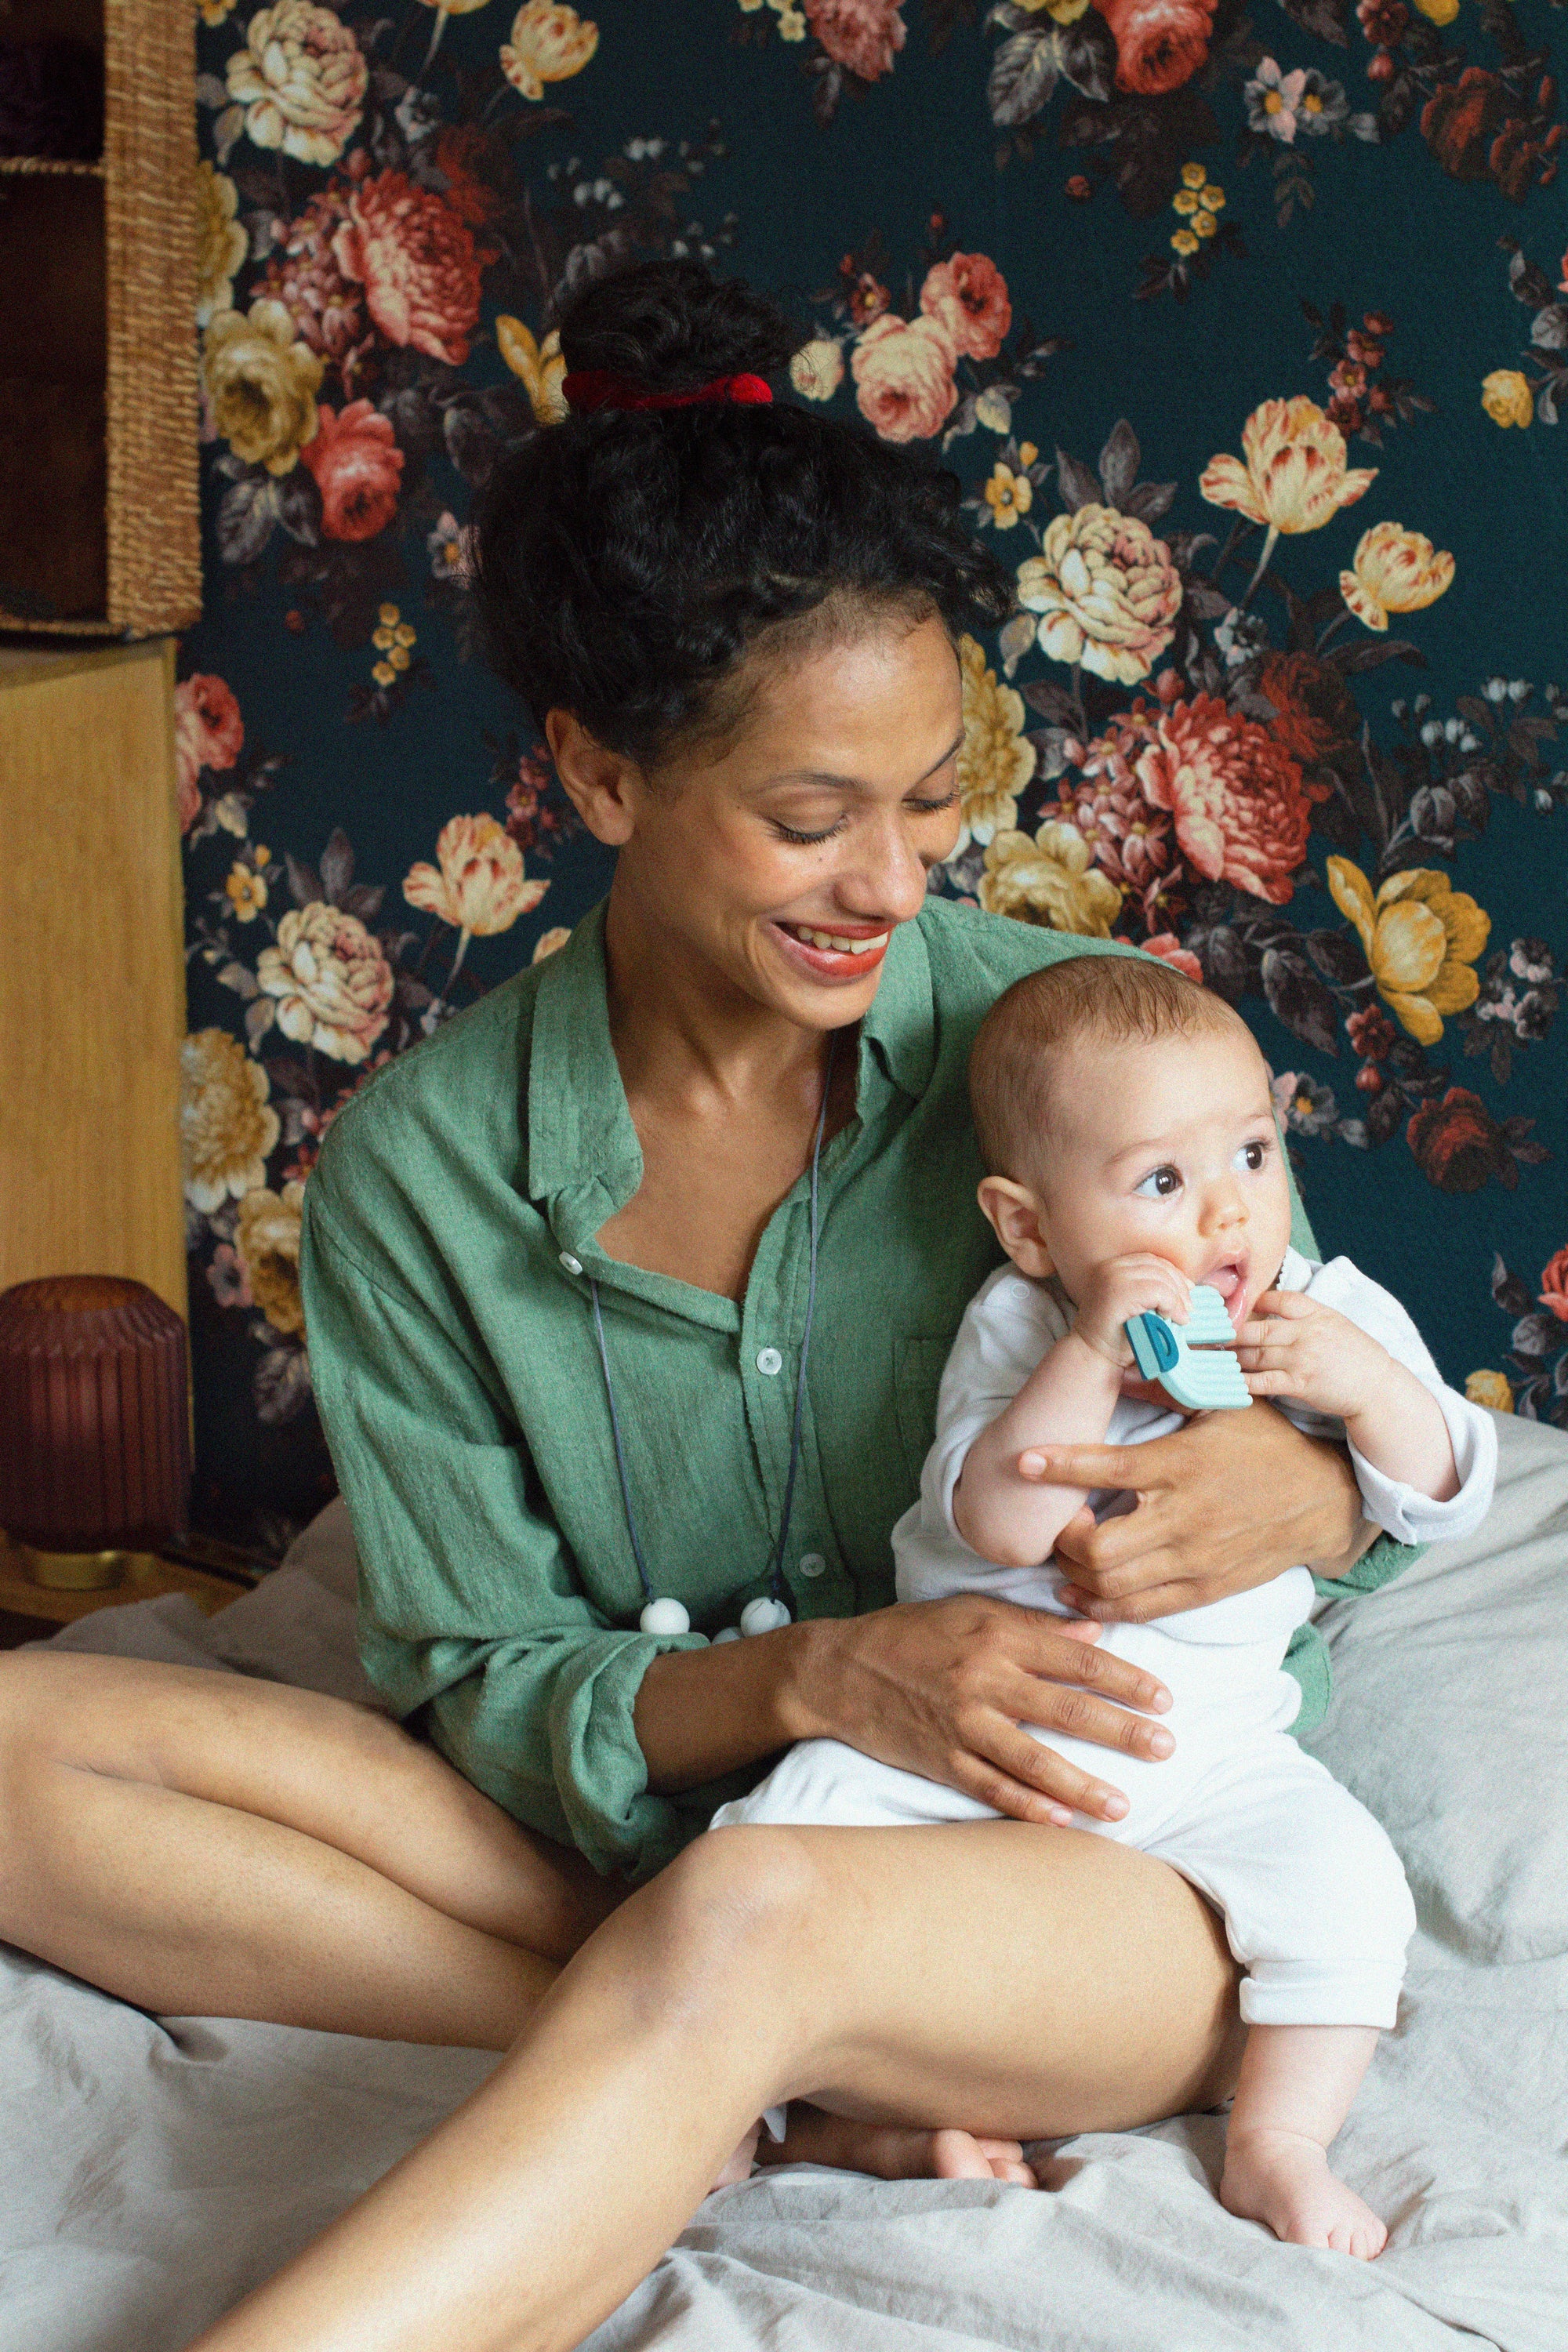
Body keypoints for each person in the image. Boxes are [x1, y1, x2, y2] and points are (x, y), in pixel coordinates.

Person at [0, 260, 1417, 2352]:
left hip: (1101, 1875)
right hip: (687, 1833)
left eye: (932, 799)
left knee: (753, 1913)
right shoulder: (424, 1169)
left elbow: (1351, 1405)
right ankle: (761, 2082)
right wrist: (824, 1682)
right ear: (598, 778)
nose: (892, 882)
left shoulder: (1081, 1059)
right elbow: (487, 1684)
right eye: (809, 819)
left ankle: (679, 2054)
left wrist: (1308, 1494)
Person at [714, 955, 1496, 2259]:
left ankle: (1279, 2143)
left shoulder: (1325, 1316)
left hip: (1211, 1752)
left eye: (1252, 1154)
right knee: (767, 1844)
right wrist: (1088, 1356)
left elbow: (1447, 1492)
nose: (1229, 1212)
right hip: (966, 1754)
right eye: (1162, 1184)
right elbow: (999, 1522)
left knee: (1353, 1887)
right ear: (1029, 1229)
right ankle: (748, 2111)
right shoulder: (1021, 1326)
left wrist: (1368, 1393)